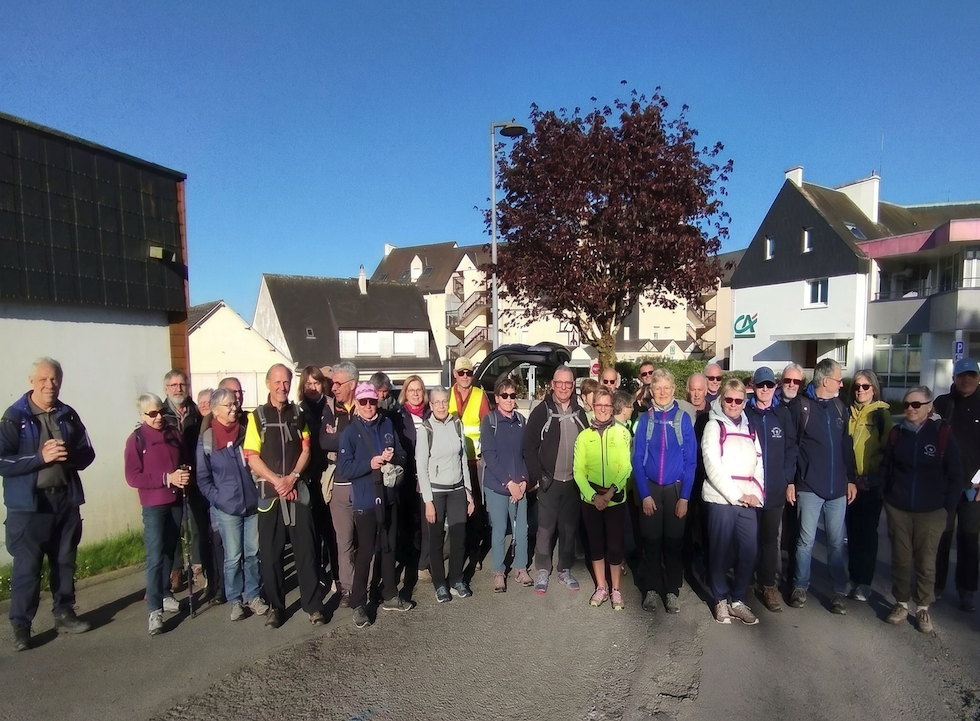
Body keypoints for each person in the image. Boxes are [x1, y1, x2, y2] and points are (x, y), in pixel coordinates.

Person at [0, 358, 95, 651]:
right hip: (29, 506)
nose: (49, 385)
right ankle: (21, 627)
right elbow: (2, 461)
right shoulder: (14, 417)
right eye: (43, 379)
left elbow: (88, 452)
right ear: (31, 381)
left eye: (54, 379)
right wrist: (41, 458)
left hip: (65, 500)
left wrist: (70, 457)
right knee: (27, 567)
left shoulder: (68, 415)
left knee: (65, 560)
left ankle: (64, 612)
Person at [244, 363, 325, 628]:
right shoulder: (256, 417)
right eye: (277, 382)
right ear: (268, 384)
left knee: (307, 552)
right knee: (270, 555)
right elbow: (251, 457)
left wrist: (292, 478)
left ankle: (313, 606)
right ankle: (276, 608)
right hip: (270, 496)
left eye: (286, 382)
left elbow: (306, 450)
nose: (282, 387)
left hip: (296, 492)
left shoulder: (298, 414)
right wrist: (276, 480)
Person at [881, 387, 962, 632]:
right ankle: (901, 603)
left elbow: (956, 476)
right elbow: (887, 468)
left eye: (916, 405)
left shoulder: (942, 433)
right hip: (899, 508)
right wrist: (888, 498)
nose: (910, 409)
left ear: (929, 407)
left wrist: (946, 509)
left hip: (932, 511)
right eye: (906, 404)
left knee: (927, 562)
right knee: (901, 559)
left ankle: (923, 607)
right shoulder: (897, 433)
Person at [338, 382, 413, 628]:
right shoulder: (350, 432)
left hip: (389, 495)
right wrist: (370, 463)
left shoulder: (387, 423)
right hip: (365, 500)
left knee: (389, 547)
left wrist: (394, 457)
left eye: (372, 401)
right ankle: (358, 603)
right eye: (364, 402)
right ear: (357, 404)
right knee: (366, 553)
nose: (369, 406)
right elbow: (344, 468)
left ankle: (390, 594)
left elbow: (402, 452)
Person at [786, 359, 856, 614]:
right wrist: (790, 482)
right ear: (826, 381)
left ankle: (838, 591)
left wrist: (850, 479)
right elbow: (791, 446)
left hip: (837, 488)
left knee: (837, 543)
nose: (841, 383)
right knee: (805, 541)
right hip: (808, 486)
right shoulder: (801, 407)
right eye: (839, 379)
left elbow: (845, 447)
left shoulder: (840, 408)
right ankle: (800, 586)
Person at [197, 387, 269, 623]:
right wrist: (218, 499)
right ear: (215, 410)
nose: (233, 408)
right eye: (228, 405)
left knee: (252, 553)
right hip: (227, 508)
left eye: (234, 404)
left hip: (251, 504)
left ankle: (254, 595)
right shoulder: (207, 440)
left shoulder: (245, 433)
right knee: (233, 557)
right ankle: (235, 601)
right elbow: (203, 478)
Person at [632, 368, 697, 614]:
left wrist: (685, 497)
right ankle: (650, 589)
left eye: (666, 388)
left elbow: (691, 461)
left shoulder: (682, 419)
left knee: (673, 543)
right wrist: (644, 494)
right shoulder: (645, 420)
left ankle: (671, 590)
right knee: (651, 542)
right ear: (651, 390)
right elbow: (637, 459)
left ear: (673, 390)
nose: (662, 392)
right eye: (657, 387)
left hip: (675, 490)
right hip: (650, 487)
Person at [702, 379, 765, 625]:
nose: (734, 404)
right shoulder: (714, 426)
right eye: (729, 399)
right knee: (719, 552)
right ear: (722, 400)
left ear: (744, 402)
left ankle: (738, 600)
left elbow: (759, 462)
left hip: (747, 500)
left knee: (749, 551)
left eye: (739, 400)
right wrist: (737, 495)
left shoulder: (750, 429)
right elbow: (712, 464)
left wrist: (756, 495)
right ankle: (720, 599)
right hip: (721, 499)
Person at [124, 393, 188, 635]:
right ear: (142, 416)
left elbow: (181, 460)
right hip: (153, 503)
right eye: (152, 413)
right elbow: (133, 477)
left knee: (170, 550)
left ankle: (165, 592)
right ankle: (154, 610)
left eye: (160, 411)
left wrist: (183, 473)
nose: (159, 416)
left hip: (175, 500)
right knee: (155, 554)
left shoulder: (173, 433)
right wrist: (166, 478)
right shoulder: (136, 439)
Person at [525, 365, 589, 594]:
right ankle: (542, 569)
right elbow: (529, 447)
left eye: (568, 383)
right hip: (548, 481)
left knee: (569, 528)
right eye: (559, 382)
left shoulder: (580, 413)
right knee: (545, 528)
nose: (564, 387)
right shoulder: (541, 411)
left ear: (573, 386)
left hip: (573, 482)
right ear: (552, 384)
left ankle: (565, 569)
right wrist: (538, 476)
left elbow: (588, 447)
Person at [574, 388, 633, 609]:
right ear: (593, 406)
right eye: (599, 405)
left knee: (615, 546)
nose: (603, 409)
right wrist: (592, 496)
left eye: (607, 406)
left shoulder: (622, 433)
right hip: (591, 499)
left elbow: (626, 466)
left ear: (612, 407)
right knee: (596, 545)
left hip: (614, 497)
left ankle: (616, 589)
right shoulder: (584, 437)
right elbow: (578, 471)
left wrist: (609, 494)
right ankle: (601, 587)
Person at [744, 367, 797, 612]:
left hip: (774, 490)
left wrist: (786, 479)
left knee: (769, 541)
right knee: (746, 539)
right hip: (750, 490)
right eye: (761, 385)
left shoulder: (782, 414)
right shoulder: (745, 413)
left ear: (775, 387)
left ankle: (768, 586)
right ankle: (744, 583)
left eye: (769, 385)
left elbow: (791, 449)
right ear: (753, 386)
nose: (765, 390)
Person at [417, 386, 473, 602]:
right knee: (436, 540)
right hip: (437, 492)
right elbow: (421, 467)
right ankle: (440, 584)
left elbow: (462, 460)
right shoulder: (425, 430)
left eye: (444, 401)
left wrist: (468, 491)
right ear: (430, 405)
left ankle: (457, 579)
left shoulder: (457, 424)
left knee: (459, 538)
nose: (441, 406)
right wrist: (428, 501)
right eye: (436, 402)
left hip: (457, 489)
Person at [161, 369, 213, 598]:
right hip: (170, 479)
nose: (178, 389)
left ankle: (198, 567)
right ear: (166, 389)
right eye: (173, 385)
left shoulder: (196, 413)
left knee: (197, 524)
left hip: (195, 477)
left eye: (182, 384)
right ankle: (175, 570)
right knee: (172, 527)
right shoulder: (160, 413)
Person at [934, 357, 980, 611]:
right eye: (962, 375)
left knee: (969, 539)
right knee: (942, 536)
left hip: (974, 485)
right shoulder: (942, 404)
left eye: (971, 375)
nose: (967, 379)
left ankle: (967, 589)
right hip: (945, 484)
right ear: (954, 378)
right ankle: (936, 585)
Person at [845, 369, 893, 602]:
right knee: (852, 533)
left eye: (865, 387)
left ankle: (864, 582)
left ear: (874, 389)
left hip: (872, 483)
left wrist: (881, 478)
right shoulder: (847, 412)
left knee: (867, 535)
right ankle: (853, 578)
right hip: (850, 483)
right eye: (857, 386)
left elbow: (889, 449)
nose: (860, 390)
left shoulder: (881, 414)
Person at [482, 377, 532, 592]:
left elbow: (527, 454)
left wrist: (523, 481)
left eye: (513, 395)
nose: (509, 400)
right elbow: (489, 456)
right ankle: (499, 572)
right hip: (497, 485)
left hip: (519, 485)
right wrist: (508, 483)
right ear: (497, 398)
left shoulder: (521, 420)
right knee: (500, 529)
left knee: (522, 530)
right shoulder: (490, 420)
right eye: (505, 396)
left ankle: (521, 569)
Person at [320, 361, 360, 607]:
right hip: (340, 484)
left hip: (362, 482)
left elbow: (368, 441)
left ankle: (365, 584)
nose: (333, 387)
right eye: (332, 383)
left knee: (366, 538)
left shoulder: (366, 403)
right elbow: (324, 440)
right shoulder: (330, 408)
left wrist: (340, 437)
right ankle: (347, 588)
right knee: (343, 540)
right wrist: (350, 438)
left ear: (352, 384)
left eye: (338, 383)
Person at [448, 356, 491, 569]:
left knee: (475, 508)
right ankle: (459, 548)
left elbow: (487, 427)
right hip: (451, 461)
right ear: (455, 374)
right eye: (461, 372)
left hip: (474, 461)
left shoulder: (480, 395)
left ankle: (474, 552)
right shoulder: (445, 396)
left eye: (469, 373)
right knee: (456, 507)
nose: (465, 376)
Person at [298, 365, 332, 586]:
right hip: (309, 474)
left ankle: (334, 570)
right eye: (308, 383)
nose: (312, 387)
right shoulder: (298, 411)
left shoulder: (331, 406)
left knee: (330, 526)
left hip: (329, 472)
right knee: (313, 529)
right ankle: (318, 572)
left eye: (316, 382)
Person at [394, 375, 431, 581]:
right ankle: (408, 560)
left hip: (426, 475)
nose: (416, 394)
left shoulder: (430, 413)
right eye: (411, 390)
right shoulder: (398, 416)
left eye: (419, 390)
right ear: (405, 393)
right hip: (407, 475)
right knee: (408, 521)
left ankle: (423, 564)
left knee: (427, 520)